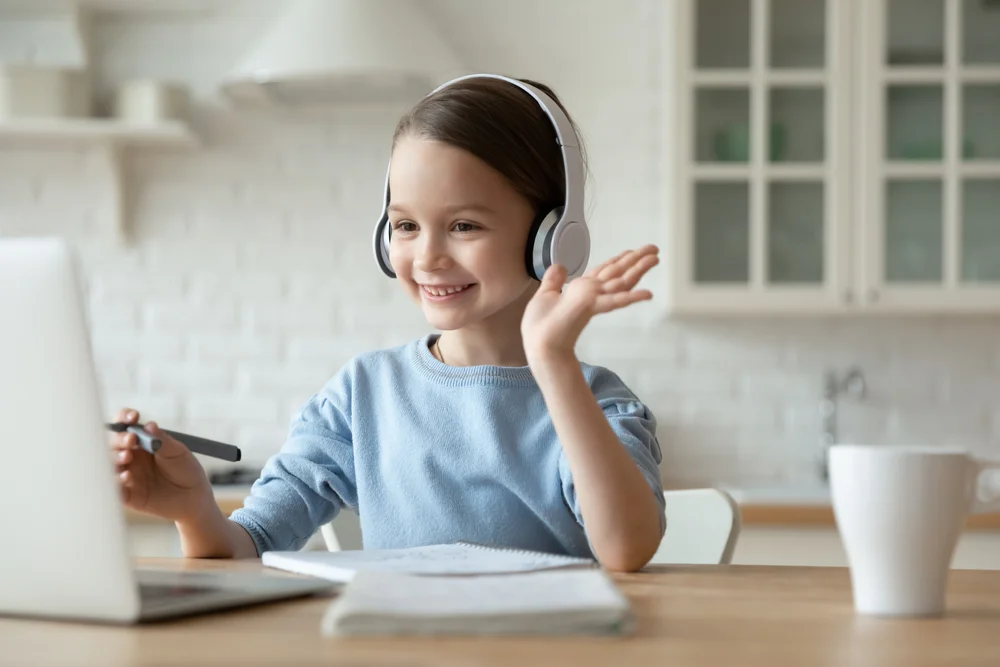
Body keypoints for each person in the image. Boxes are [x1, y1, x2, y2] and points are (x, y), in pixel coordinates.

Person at [112, 74, 666, 572]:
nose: (427, 257)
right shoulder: (361, 395)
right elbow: (250, 543)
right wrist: (192, 511)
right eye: (405, 225)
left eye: (465, 225)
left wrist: (553, 362)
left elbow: (625, 549)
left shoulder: (598, 402)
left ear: (553, 237)